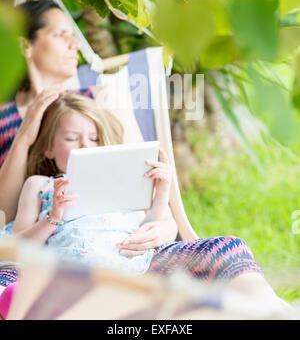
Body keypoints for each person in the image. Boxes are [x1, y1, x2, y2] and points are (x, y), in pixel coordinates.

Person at [1, 93, 290, 319]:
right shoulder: (40, 184)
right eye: (72, 138)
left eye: (94, 138)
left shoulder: (121, 175)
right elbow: (18, 248)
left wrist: (161, 194)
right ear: (49, 148)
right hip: (75, 273)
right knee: (6, 277)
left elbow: (151, 226)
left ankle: (268, 309)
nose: (86, 146)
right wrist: (53, 218)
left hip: (140, 267)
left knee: (229, 247)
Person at [0, 0, 177, 289]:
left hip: (121, 247)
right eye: (61, 35)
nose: (76, 44)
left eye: (75, 34)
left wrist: (167, 229)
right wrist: (25, 134)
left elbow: (145, 184)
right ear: (25, 46)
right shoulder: (4, 119)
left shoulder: (100, 100)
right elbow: (4, 217)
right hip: (46, 248)